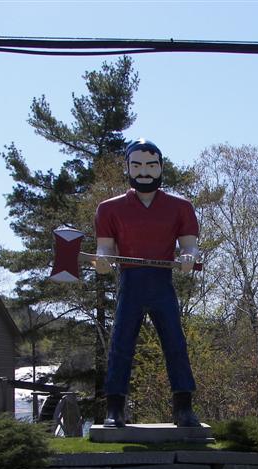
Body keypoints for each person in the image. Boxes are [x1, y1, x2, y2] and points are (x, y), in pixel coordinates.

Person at [94, 139, 200, 428]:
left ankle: (183, 407)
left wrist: (188, 256)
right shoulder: (109, 209)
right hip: (131, 280)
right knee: (121, 343)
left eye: (151, 165)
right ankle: (115, 408)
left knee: (175, 342)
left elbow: (190, 245)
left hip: (162, 281)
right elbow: (104, 248)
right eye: (137, 165)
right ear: (127, 167)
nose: (144, 171)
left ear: (161, 167)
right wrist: (102, 261)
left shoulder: (181, 207)